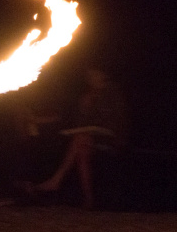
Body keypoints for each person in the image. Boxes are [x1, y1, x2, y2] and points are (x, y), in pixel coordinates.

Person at [33, 67, 128, 209]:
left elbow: (118, 121)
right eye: (88, 75)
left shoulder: (113, 94)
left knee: (80, 140)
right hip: (91, 137)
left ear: (103, 74)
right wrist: (84, 109)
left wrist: (101, 125)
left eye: (93, 74)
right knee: (81, 148)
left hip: (112, 137)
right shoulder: (88, 96)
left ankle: (56, 181)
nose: (90, 78)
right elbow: (82, 124)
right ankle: (88, 200)